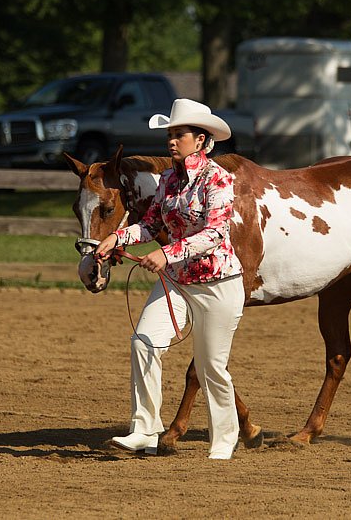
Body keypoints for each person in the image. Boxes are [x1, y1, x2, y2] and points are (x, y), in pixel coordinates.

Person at [94, 98, 244, 460]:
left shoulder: (218, 179)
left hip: (218, 283)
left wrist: (167, 253)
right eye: (171, 134)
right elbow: (152, 224)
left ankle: (224, 439)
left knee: (211, 367)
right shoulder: (170, 181)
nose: (172, 141)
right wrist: (119, 236)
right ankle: (144, 429)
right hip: (177, 282)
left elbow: (215, 234)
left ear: (202, 140)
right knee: (144, 342)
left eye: (180, 134)